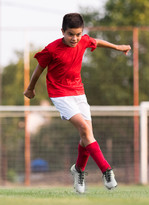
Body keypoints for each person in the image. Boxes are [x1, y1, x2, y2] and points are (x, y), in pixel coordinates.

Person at [23, 13, 131, 194]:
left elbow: (96, 41)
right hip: (60, 94)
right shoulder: (51, 49)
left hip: (79, 93)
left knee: (86, 136)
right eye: (70, 34)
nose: (74, 38)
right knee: (86, 130)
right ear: (62, 32)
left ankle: (78, 170)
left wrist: (118, 47)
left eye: (78, 34)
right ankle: (107, 170)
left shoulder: (83, 41)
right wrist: (30, 88)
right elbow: (38, 69)